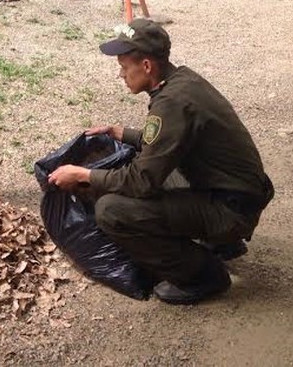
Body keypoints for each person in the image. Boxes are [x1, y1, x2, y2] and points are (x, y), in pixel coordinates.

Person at [48, 18, 274, 305]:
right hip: (239, 195)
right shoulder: (183, 81)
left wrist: (83, 175)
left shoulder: (171, 103)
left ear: (146, 66)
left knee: (111, 210)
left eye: (124, 66)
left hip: (231, 210)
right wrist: (122, 133)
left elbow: (141, 180)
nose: (120, 74)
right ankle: (221, 242)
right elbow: (171, 140)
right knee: (149, 168)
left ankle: (203, 275)